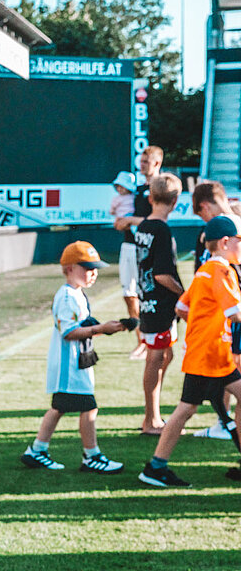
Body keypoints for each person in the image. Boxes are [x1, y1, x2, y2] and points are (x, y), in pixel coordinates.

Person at [138, 215, 241, 487]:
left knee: (190, 408)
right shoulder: (221, 270)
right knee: (185, 409)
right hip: (210, 356)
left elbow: (182, 308)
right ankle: (155, 467)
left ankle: (156, 466)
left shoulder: (204, 270)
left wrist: (204, 324)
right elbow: (235, 312)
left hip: (210, 354)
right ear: (226, 242)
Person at [20, 241, 128, 473]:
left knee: (59, 407)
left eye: (95, 268)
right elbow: (68, 332)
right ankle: (92, 456)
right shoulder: (68, 297)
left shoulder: (75, 294)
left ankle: (37, 450)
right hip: (69, 366)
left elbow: (83, 326)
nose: (93, 273)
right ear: (69, 268)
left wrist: (113, 326)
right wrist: (100, 329)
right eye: (87, 268)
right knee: (88, 407)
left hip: (75, 365)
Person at [135, 173, 184, 435]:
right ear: (176, 201)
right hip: (159, 305)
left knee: (166, 355)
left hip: (149, 302)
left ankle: (153, 416)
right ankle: (150, 419)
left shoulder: (143, 226)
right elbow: (162, 274)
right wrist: (184, 294)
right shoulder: (161, 230)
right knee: (156, 359)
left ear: (151, 198)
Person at [189, 181, 239, 441]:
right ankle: (225, 421)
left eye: (200, 214)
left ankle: (225, 422)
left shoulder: (222, 234)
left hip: (231, 311)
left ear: (204, 206)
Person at [115, 146, 165, 360]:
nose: (141, 165)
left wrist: (131, 221)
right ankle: (141, 339)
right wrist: (122, 222)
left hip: (147, 248)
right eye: (141, 161)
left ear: (156, 163)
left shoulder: (159, 188)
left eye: (146, 161)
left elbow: (157, 220)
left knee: (147, 294)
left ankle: (151, 339)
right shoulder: (137, 187)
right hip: (129, 244)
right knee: (129, 293)